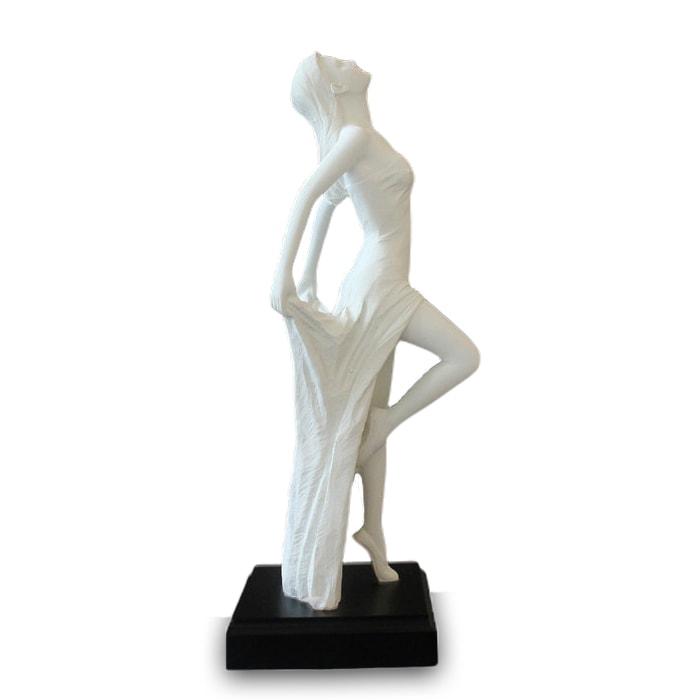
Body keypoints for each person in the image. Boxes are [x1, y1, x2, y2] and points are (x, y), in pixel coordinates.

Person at [271, 53, 480, 610]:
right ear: (334, 87)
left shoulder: (365, 139)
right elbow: (308, 195)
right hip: (380, 289)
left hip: (380, 281)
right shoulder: (357, 138)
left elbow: (329, 203)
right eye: (336, 63)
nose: (350, 61)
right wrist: (285, 277)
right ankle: (387, 424)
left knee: (368, 416)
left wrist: (309, 275)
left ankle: (374, 533)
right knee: (463, 356)